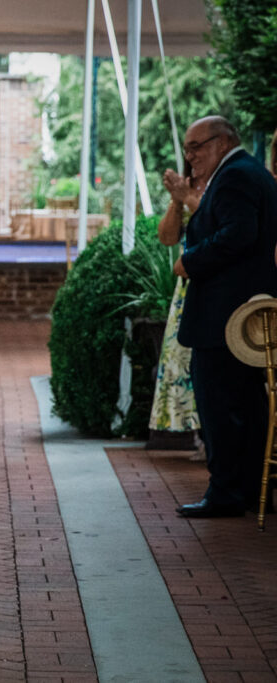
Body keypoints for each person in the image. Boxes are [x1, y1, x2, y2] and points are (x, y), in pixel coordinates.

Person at [174, 116, 277, 518]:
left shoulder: (235, 176)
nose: (190, 156)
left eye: (197, 146)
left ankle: (227, 493)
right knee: (248, 406)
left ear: (223, 141)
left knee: (222, 406)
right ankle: (247, 489)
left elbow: (238, 234)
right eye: (188, 148)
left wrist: (190, 260)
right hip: (239, 315)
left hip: (225, 318)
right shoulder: (251, 172)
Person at [148, 164, 204, 449]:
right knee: (181, 363)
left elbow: (216, 222)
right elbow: (167, 237)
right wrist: (176, 200)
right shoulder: (186, 193)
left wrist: (190, 199)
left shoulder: (222, 189)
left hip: (212, 287)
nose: (192, 157)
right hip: (186, 292)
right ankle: (193, 431)